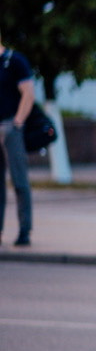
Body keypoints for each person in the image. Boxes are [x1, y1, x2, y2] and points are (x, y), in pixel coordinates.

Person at [0, 32, 35, 247]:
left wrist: (17, 123)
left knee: (19, 181)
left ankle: (24, 230)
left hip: (10, 127)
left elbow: (28, 94)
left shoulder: (15, 61)